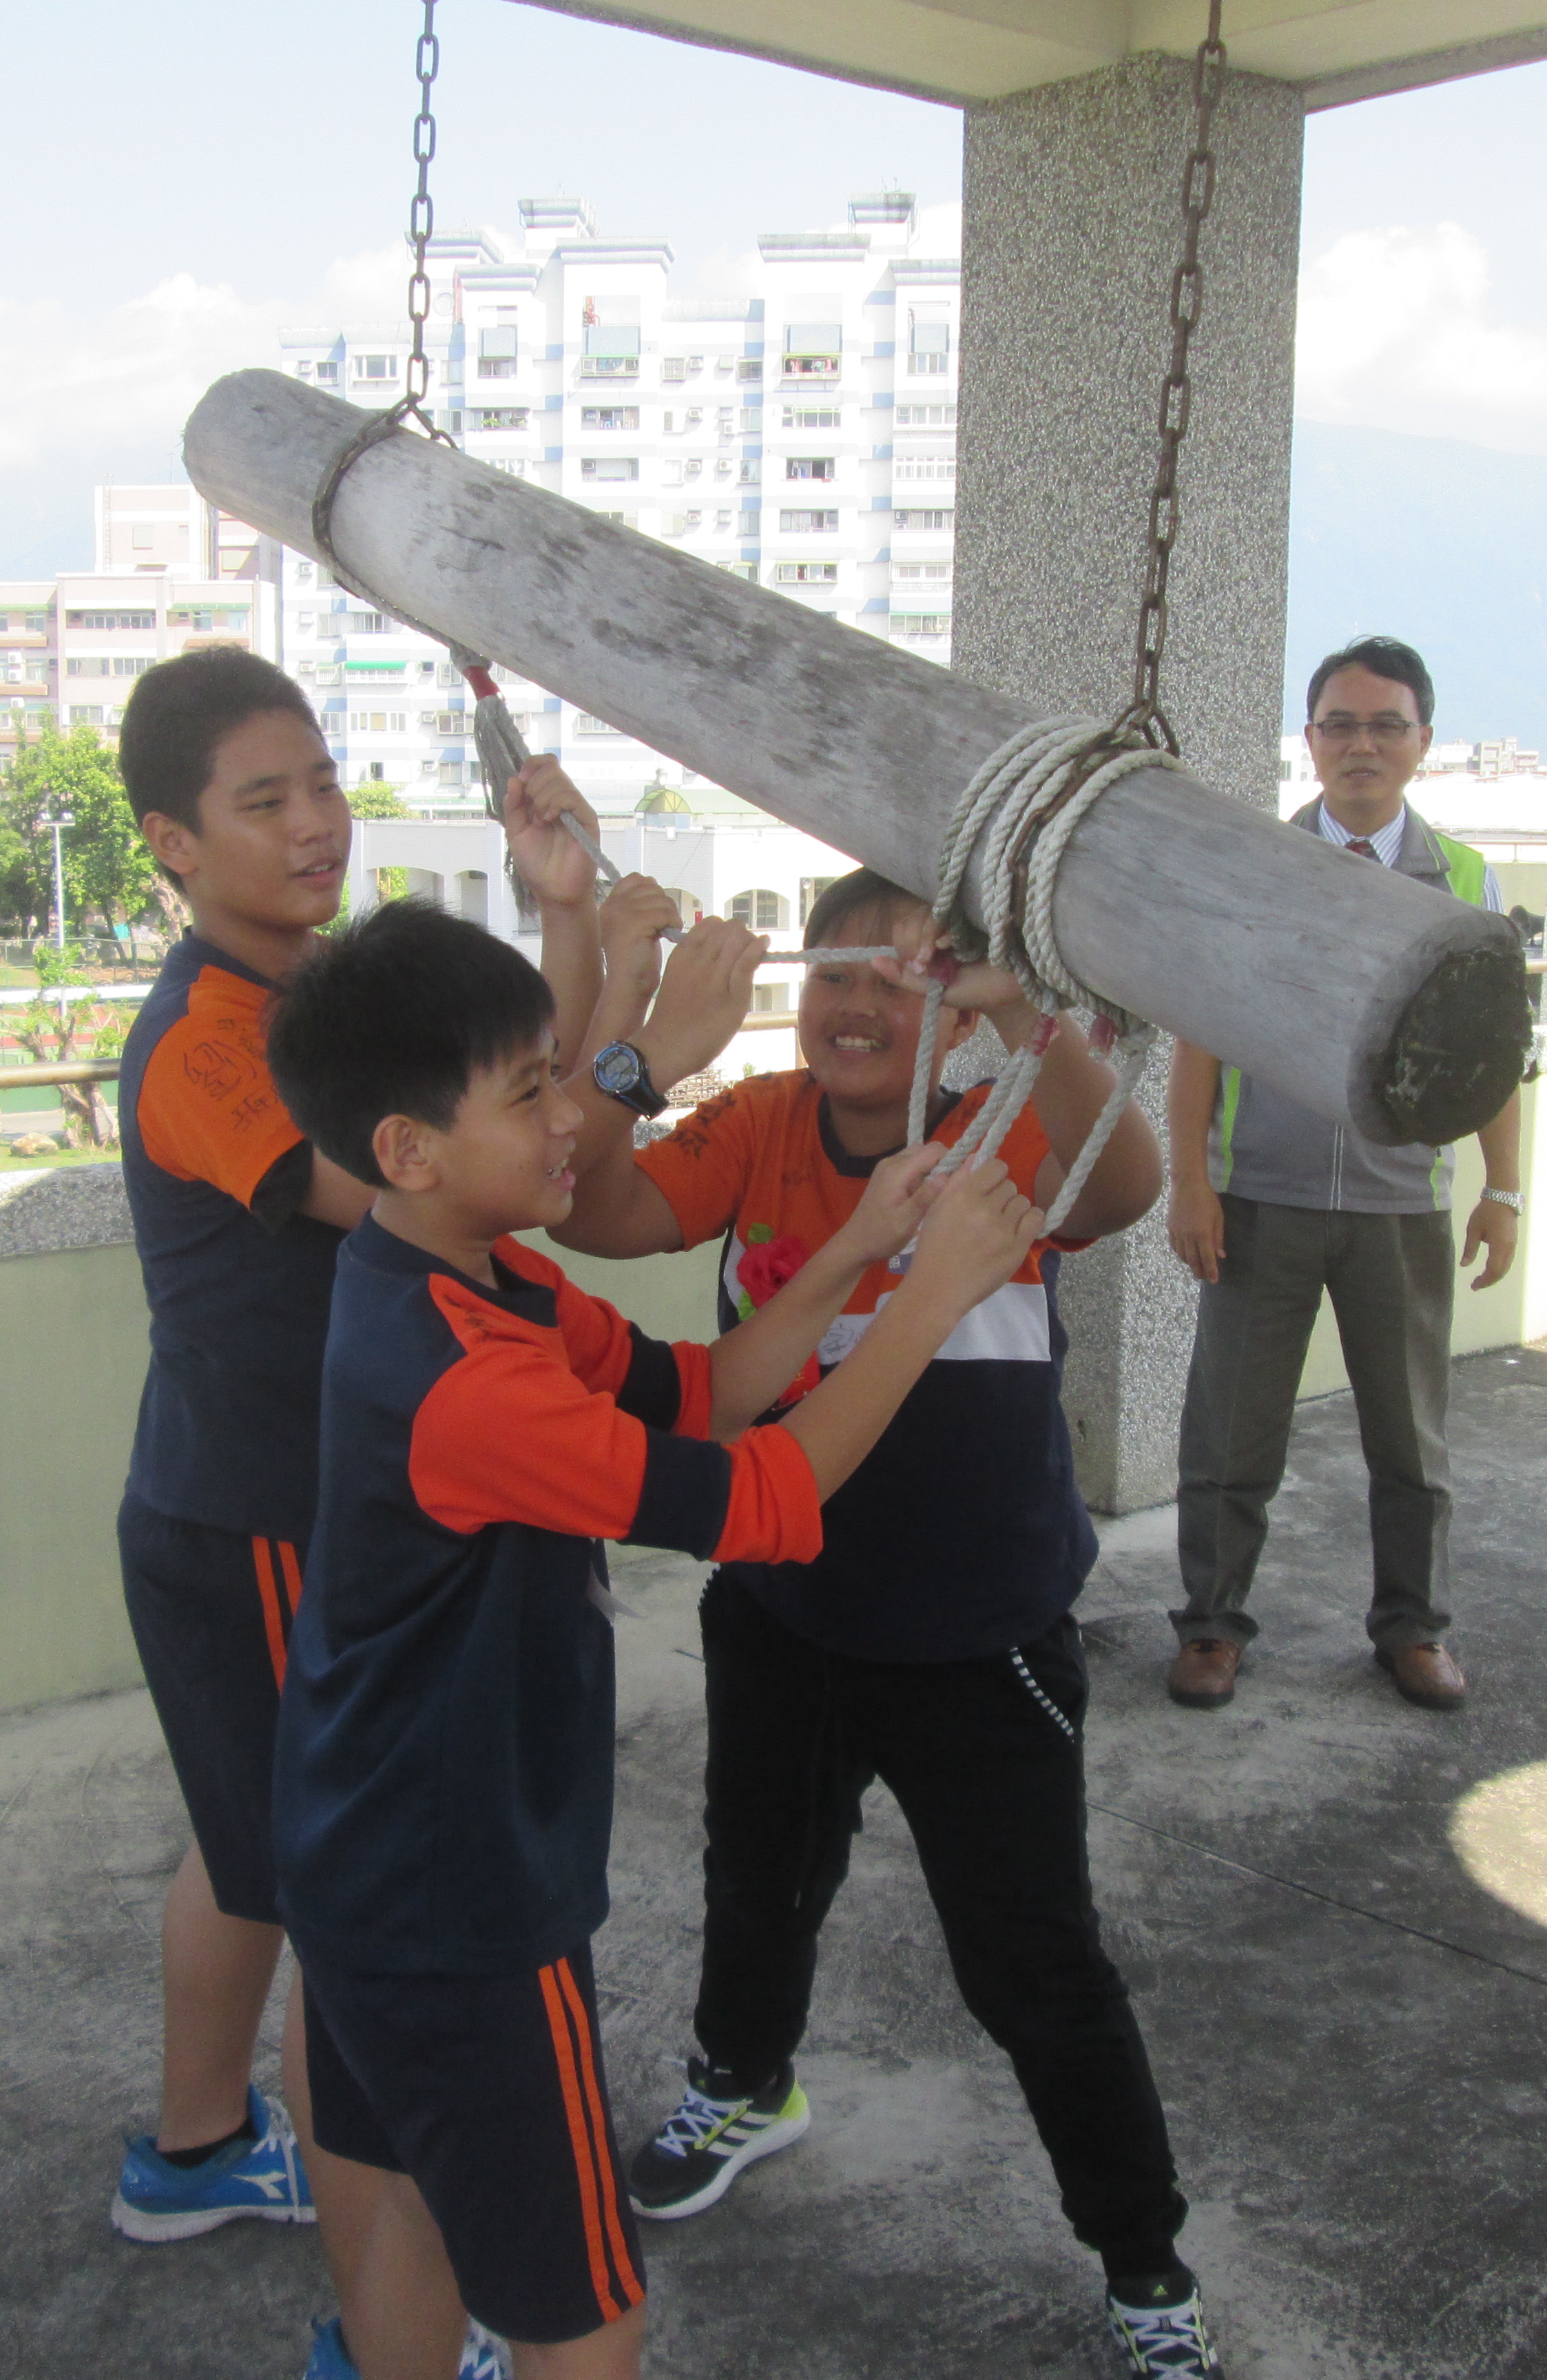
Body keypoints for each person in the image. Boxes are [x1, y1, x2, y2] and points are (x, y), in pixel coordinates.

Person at [264, 899, 1046, 2380]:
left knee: (416, 2207)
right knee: (588, 2314)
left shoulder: (467, 1276)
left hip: (359, 1858)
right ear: (409, 1149)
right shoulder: (464, 1378)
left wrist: (863, 1246)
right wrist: (931, 1302)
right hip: (464, 1903)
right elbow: (759, 1500)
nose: (575, 1116)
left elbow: (702, 1392)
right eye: (529, 1093)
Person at [549, 869, 1217, 2380]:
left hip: (983, 1635)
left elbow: (1119, 1191)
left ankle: (1144, 2260)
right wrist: (636, 1027)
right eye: (833, 975)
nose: (856, 1008)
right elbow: (596, 1206)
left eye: (899, 980)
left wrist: (1028, 1017)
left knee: (1035, 1967)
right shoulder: (757, 1125)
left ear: (953, 1005)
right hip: (782, 1607)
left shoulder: (1002, 1117)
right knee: (760, 1878)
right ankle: (744, 2080)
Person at [100, 643, 606, 2355]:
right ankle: (372, 2330)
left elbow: (501, 1092)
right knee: (344, 1916)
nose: (315, 824)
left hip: (267, 1508)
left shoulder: (302, 995)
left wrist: (563, 917)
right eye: (265, 802)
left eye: (322, 783)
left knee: (260, 1850)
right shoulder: (207, 1044)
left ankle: (191, 2153)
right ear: (175, 844)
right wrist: (614, 1055)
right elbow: (418, 1174)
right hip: (253, 1523)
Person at [1161, 633, 1523, 1717]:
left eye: (1385, 725)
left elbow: (1495, 1054)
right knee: (1231, 1436)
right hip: (1258, 1201)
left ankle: (1415, 1630)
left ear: (1423, 741)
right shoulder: (1256, 868)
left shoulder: (1466, 881)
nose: (1362, 745)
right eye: (1340, 725)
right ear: (1310, 741)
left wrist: (1504, 1191)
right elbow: (1200, 1032)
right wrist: (1192, 1183)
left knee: (1412, 1444)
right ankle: (1212, 1626)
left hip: (1398, 1207)